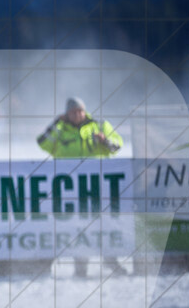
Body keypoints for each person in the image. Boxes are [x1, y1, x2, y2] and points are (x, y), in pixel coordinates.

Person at [38, 97, 126, 276]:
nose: (77, 115)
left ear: (85, 111)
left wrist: (106, 142)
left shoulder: (100, 126)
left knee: (104, 225)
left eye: (80, 111)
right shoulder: (60, 131)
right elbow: (42, 142)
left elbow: (117, 146)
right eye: (72, 112)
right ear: (66, 114)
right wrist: (56, 123)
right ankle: (81, 266)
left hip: (97, 189)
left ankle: (111, 260)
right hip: (70, 191)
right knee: (77, 228)